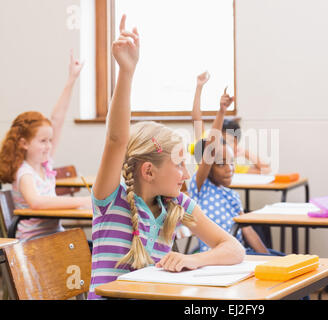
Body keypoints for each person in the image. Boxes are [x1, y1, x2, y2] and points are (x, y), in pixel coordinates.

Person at [88, 15, 245, 300]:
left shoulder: (176, 204)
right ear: (149, 171)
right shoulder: (112, 199)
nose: (186, 174)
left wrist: (193, 260)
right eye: (180, 165)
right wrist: (126, 71)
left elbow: (233, 248)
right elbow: (116, 140)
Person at [0, 50, 91, 242]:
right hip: (34, 243)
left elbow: (57, 120)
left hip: (53, 236)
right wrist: (83, 201)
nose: (49, 146)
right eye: (43, 141)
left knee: (90, 247)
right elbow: (37, 202)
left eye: (50, 140)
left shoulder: (43, 164)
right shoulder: (24, 173)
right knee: (88, 250)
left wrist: (71, 80)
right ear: (24, 144)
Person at [188, 86, 283, 256]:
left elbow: (248, 231)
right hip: (216, 257)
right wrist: (222, 111)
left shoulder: (232, 196)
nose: (229, 169)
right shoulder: (200, 187)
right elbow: (211, 146)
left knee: (282, 258)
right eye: (221, 164)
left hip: (239, 255)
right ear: (209, 167)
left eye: (231, 163)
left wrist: (269, 261)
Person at [190, 71, 271, 174]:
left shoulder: (231, 166)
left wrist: (245, 153)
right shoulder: (206, 151)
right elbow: (196, 119)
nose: (223, 144)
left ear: (235, 146)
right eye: (221, 140)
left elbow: (266, 169)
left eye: (229, 142)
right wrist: (199, 87)